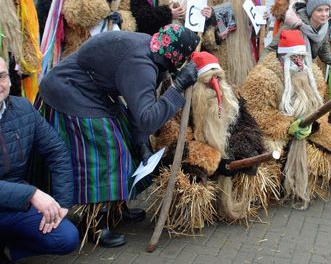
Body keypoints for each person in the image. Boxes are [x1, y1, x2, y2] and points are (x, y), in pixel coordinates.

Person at [38, 25, 199, 247]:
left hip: (94, 91)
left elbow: (138, 109)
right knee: (106, 150)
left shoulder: (156, 53)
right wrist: (178, 86)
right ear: (176, 57)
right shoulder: (141, 64)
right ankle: (95, 223)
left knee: (125, 136)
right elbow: (147, 118)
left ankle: (115, 210)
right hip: (69, 90)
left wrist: (141, 142)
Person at [150, 51, 267, 233]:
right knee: (191, 174)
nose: (215, 87)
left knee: (248, 161)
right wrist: (212, 156)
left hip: (225, 152)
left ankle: (229, 203)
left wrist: (237, 150)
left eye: (218, 79)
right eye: (208, 82)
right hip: (197, 157)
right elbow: (173, 140)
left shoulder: (232, 96)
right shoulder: (180, 99)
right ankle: (195, 214)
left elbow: (248, 127)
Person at [243, 30, 331, 209]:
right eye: (293, 57)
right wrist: (288, 125)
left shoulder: (313, 72)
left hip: (310, 126)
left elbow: (322, 105)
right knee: (271, 153)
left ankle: (307, 184)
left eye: (301, 56)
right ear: (281, 58)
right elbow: (256, 113)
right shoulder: (262, 78)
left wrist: (314, 125)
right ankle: (276, 187)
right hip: (275, 130)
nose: (298, 62)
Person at [0, 57, 79, 261]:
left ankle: (10, 247)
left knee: (66, 238)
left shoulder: (22, 109)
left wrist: (61, 203)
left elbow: (57, 151)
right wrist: (32, 194)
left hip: (15, 203)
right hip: (22, 195)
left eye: (1, 76)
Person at [264, 0, 331, 71]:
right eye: (319, 10)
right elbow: (271, 48)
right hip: (287, 69)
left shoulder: (323, 29)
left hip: (307, 70)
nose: (324, 14)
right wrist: (260, 69)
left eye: (327, 10)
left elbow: (326, 56)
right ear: (311, 11)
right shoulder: (294, 24)